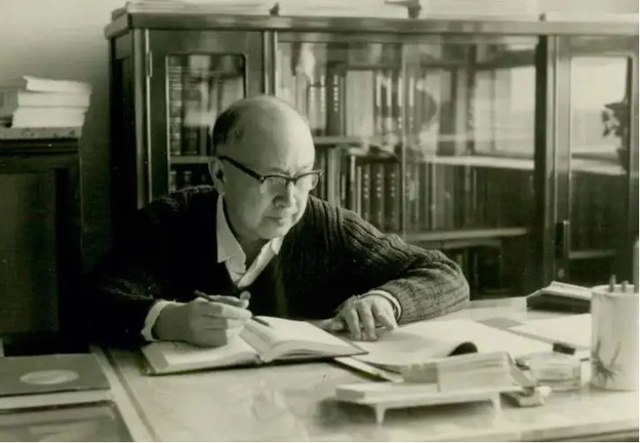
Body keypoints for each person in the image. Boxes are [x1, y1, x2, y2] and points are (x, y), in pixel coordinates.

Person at [85, 95, 469, 348]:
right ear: (219, 174)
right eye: (272, 178)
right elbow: (91, 302)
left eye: (303, 177)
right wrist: (172, 321)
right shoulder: (169, 222)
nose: (290, 199)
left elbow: (445, 274)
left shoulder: (324, 224)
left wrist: (384, 301)